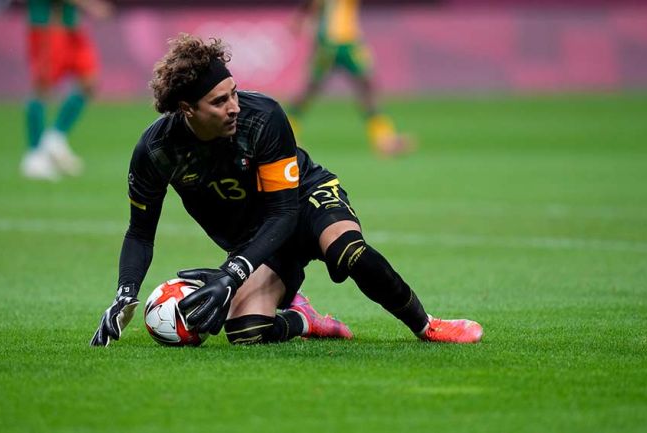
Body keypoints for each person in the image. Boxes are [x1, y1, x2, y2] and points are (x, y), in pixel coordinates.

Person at [90, 34, 482, 347]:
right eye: (219, 101)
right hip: (259, 239)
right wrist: (125, 294)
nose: (234, 107)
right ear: (186, 108)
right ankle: (303, 318)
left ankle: (427, 325)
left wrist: (231, 273)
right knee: (244, 334)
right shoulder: (156, 152)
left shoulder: (263, 118)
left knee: (350, 252)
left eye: (234, 92)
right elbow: (139, 232)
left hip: (303, 200)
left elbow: (283, 212)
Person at [287, 0, 412, 157]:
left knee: (367, 86)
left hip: (350, 42)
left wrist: (300, 18)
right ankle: (287, 132)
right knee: (311, 90)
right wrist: (300, 19)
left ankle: (383, 138)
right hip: (329, 43)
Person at [20, 0, 113, 181]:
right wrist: (90, 5)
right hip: (47, 24)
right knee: (42, 87)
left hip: (70, 24)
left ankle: (55, 137)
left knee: (89, 82)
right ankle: (34, 156)